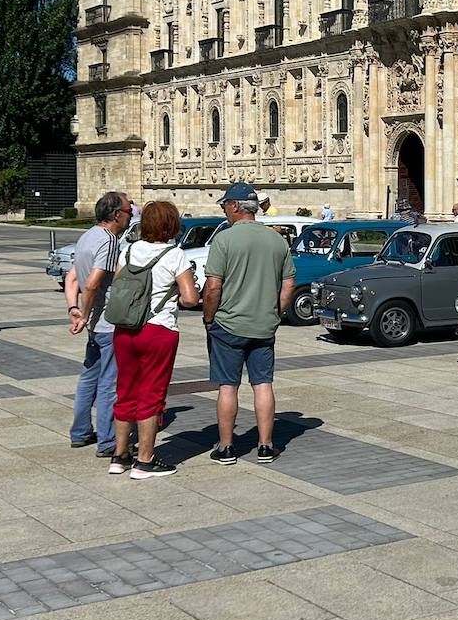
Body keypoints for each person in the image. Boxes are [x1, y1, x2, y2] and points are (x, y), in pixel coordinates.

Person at [203, 182, 296, 465]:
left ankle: (226, 447)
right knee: (263, 384)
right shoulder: (277, 240)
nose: (224, 211)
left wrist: (209, 318)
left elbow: (213, 287)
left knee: (228, 386)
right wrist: (276, 313)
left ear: (234, 206)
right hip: (264, 325)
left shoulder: (224, 239)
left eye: (224, 206)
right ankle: (266, 445)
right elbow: (289, 284)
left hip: (229, 324)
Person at [107, 201, 199, 479]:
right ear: (171, 225)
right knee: (151, 395)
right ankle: (145, 460)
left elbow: (119, 283)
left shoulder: (130, 249)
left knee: (125, 391)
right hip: (158, 330)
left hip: (124, 329)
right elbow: (190, 298)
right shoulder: (175, 255)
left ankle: (119, 455)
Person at [67, 191, 132, 455]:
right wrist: (84, 312)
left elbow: (73, 278)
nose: (131, 215)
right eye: (129, 211)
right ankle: (107, 441)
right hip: (106, 323)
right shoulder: (108, 240)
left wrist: (73, 308)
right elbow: (93, 282)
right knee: (109, 382)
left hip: (94, 324)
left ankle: (80, 432)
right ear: (116, 214)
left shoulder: (87, 237)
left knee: (89, 378)